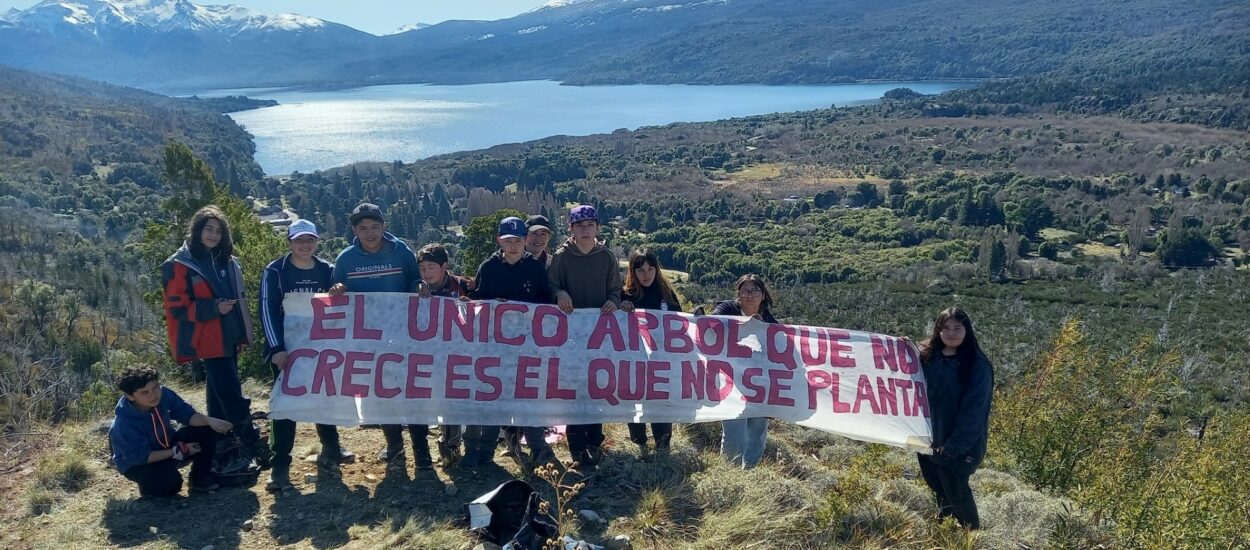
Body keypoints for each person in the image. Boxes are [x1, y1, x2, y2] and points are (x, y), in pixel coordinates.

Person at [160, 205, 268, 463]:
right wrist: (212, 308)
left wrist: (240, 335)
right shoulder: (179, 264)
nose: (213, 235)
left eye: (218, 231)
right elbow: (176, 308)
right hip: (208, 340)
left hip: (228, 337)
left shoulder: (223, 260)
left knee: (217, 392)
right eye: (208, 229)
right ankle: (252, 443)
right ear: (197, 230)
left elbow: (235, 302)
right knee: (230, 393)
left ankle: (222, 443)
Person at [328, 203, 428, 470]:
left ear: (384, 226)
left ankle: (422, 453)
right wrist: (336, 290)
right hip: (368, 341)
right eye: (363, 228)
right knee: (381, 394)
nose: (370, 233)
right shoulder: (345, 259)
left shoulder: (402, 252)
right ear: (354, 230)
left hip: (404, 336)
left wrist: (419, 287)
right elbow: (337, 298)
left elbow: (414, 282)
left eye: (375, 227)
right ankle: (394, 447)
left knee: (412, 392)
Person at [259, 219, 356, 491]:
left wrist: (337, 293)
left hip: (322, 347)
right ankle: (279, 464)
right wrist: (277, 349)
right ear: (289, 242)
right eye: (299, 240)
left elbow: (343, 306)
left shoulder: (327, 269)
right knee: (285, 405)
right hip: (288, 350)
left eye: (310, 240)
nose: (305, 245)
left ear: (316, 241)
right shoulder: (275, 271)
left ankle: (331, 449)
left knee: (325, 398)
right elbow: (266, 309)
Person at [471, 217, 555, 467]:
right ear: (499, 241)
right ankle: (487, 452)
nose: (514, 246)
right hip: (495, 347)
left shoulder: (536, 268)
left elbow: (546, 303)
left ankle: (539, 450)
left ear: (525, 241)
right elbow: (478, 299)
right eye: (508, 241)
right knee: (495, 397)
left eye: (519, 240)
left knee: (530, 398)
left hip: (529, 346)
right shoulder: (488, 267)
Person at [548, 204, 623, 470]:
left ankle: (595, 444)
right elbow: (550, 286)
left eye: (590, 225)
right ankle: (577, 450)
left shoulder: (607, 257)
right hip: (569, 339)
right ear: (571, 228)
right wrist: (559, 293)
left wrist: (614, 302)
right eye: (579, 225)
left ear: (597, 228)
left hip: (600, 338)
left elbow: (616, 290)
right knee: (575, 394)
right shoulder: (560, 257)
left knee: (596, 391)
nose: (585, 230)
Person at [917, 307, 993, 530]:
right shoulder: (928, 355)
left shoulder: (977, 365)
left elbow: (974, 411)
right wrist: (901, 346)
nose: (951, 333)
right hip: (930, 439)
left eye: (957, 328)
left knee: (957, 492)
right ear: (937, 330)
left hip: (961, 444)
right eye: (945, 328)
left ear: (966, 330)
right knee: (937, 486)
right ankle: (946, 532)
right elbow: (904, 362)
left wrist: (954, 447)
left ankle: (974, 538)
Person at [110, 365, 234, 497]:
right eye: (145, 392)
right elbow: (141, 457)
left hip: (167, 445)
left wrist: (210, 421)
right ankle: (149, 486)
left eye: (155, 387)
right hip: (138, 464)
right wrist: (177, 452)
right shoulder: (124, 424)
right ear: (130, 396)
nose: (153, 395)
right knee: (170, 485)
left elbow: (187, 415)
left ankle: (199, 479)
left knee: (205, 428)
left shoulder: (164, 395)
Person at [619, 249, 684, 457]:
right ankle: (639, 444)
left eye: (650, 269)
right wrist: (622, 308)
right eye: (640, 270)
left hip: (661, 363)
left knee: (660, 405)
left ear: (656, 270)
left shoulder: (667, 294)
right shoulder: (626, 295)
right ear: (633, 272)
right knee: (634, 403)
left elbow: (681, 322)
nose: (646, 275)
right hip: (633, 362)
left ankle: (663, 446)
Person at [413, 243, 473, 468]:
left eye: (431, 267)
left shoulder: (464, 286)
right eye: (422, 269)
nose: (426, 274)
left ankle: (460, 445)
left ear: (444, 266)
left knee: (458, 399)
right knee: (443, 401)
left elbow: (485, 309)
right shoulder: (418, 290)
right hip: (432, 355)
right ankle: (447, 444)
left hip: (462, 354)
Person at [710, 274, 778, 469]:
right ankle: (729, 475)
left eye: (755, 291)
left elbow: (783, 356)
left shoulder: (771, 323)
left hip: (759, 387)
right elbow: (712, 322)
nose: (749, 295)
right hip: (731, 384)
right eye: (745, 291)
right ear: (738, 294)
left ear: (763, 295)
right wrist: (743, 324)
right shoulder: (727, 309)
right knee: (735, 435)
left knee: (757, 435)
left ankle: (749, 473)